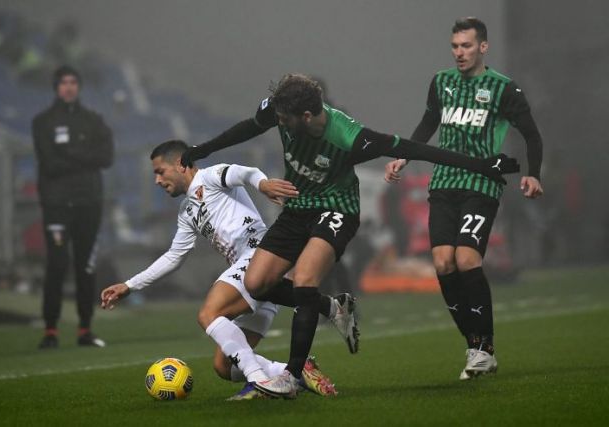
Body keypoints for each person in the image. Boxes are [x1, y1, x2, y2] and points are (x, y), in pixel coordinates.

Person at [181, 73, 520, 398]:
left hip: (337, 210)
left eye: (285, 119)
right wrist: (204, 149)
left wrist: (484, 165)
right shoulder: (279, 109)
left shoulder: (349, 136)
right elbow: (249, 127)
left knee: (304, 279)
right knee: (257, 284)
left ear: (308, 114)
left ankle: (292, 376)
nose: (279, 123)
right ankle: (334, 307)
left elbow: (419, 149)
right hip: (299, 207)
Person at [100, 140, 345, 400]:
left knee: (209, 313)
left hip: (258, 259)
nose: (157, 181)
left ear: (181, 164)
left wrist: (262, 184)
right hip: (250, 281)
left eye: (160, 172)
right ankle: (294, 371)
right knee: (224, 367)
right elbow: (174, 256)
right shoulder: (187, 211)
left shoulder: (210, 176)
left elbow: (246, 172)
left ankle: (260, 381)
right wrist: (130, 285)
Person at [384, 17, 544, 380]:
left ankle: (484, 348)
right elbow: (428, 125)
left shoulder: (504, 89)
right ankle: (475, 345)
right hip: (444, 182)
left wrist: (533, 173)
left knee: (466, 258)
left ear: (483, 47)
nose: (459, 52)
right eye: (455, 46)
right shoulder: (441, 82)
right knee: (442, 263)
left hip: (482, 183)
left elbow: (532, 134)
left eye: (467, 46)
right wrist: (404, 156)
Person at [32, 65, 114, 349]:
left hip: (89, 203)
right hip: (56, 204)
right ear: (56, 86)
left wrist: (68, 152)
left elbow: (107, 157)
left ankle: (84, 330)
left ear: (79, 86)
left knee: (86, 267)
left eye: (73, 82)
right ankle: (51, 330)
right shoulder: (42, 122)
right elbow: (50, 163)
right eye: (64, 82)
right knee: (56, 265)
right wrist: (85, 155)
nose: (69, 87)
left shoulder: (94, 120)